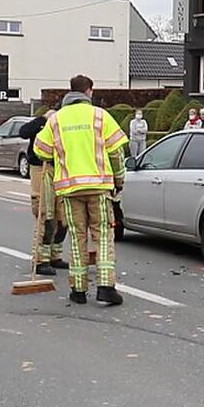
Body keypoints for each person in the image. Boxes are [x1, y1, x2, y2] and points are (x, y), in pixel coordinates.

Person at [34, 75, 128, 306]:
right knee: (103, 236)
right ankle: (106, 287)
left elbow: (41, 151)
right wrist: (119, 179)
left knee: (77, 238)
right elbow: (116, 153)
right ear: (89, 92)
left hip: (69, 189)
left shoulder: (56, 120)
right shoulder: (100, 116)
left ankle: (78, 290)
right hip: (98, 187)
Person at [19, 110, 67, 276]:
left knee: (62, 217)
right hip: (41, 168)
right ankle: (40, 260)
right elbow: (23, 132)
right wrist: (43, 119)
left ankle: (55, 255)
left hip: (60, 168)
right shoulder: (40, 124)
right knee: (45, 213)